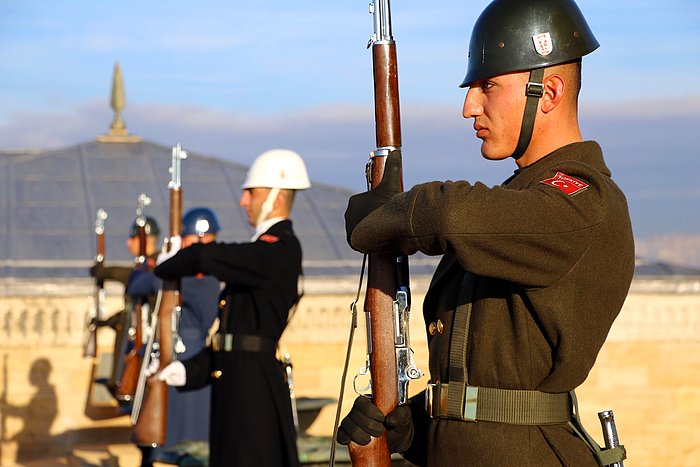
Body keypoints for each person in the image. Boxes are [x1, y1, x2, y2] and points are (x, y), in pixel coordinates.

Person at [338, 0, 635, 466]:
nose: (468, 105)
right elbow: (485, 366)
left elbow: (451, 215)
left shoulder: (582, 198)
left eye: (487, 85)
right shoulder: (518, 205)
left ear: (550, 91)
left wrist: (390, 215)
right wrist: (415, 425)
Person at [155, 149, 310, 467]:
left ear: (276, 197)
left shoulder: (280, 248)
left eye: (250, 192)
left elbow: (205, 257)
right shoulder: (258, 256)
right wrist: (190, 369)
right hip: (236, 381)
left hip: (253, 390)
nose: (243, 201)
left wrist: (168, 264)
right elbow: (234, 336)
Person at [128, 208, 222, 464]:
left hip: (187, 362)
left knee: (185, 445)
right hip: (176, 353)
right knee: (157, 442)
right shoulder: (201, 276)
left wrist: (164, 265)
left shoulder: (203, 279)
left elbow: (139, 285)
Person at [89, 216, 161, 400]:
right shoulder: (142, 267)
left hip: (147, 339)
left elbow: (134, 279)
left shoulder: (155, 266)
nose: (128, 243)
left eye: (133, 238)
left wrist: (105, 272)